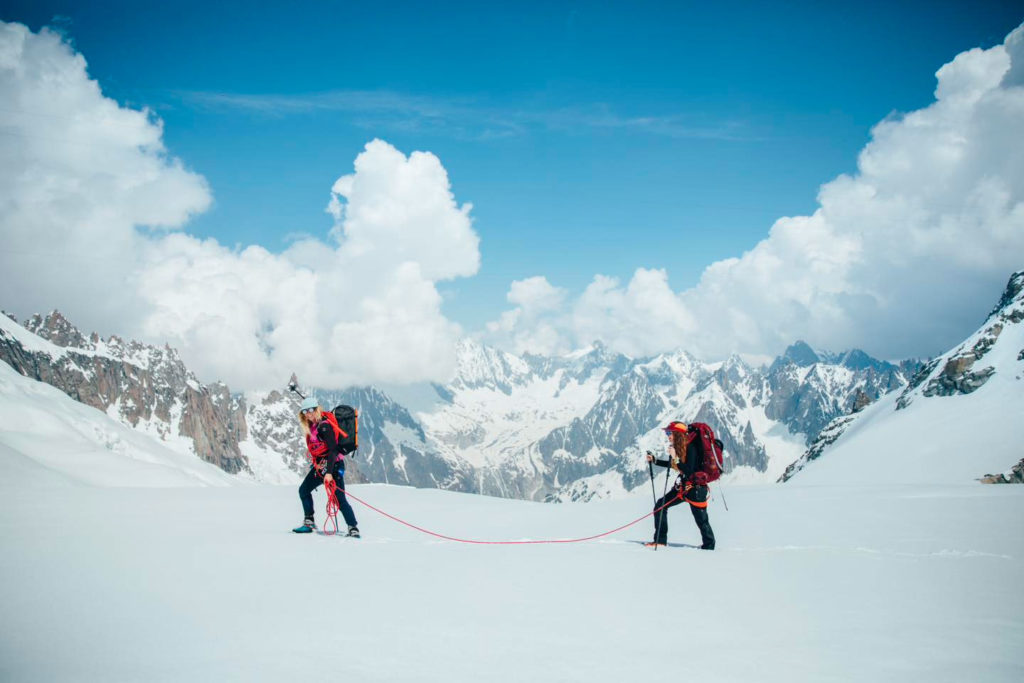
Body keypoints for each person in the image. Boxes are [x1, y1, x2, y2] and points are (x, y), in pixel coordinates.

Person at [292, 396, 360, 537]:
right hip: (321, 466)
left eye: (311, 410)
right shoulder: (313, 426)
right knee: (304, 490)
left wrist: (329, 473)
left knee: (339, 499)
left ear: (317, 409)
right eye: (305, 411)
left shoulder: (324, 426)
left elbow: (333, 450)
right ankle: (309, 521)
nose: (309, 414)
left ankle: (353, 527)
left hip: (332, 466)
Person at [645, 421, 715, 550]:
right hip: (684, 488)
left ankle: (709, 547)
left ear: (678, 434)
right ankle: (660, 540)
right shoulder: (682, 447)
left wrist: (675, 457)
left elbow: (689, 471)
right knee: (660, 506)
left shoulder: (692, 448)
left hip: (695, 489)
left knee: (701, 520)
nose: (668, 436)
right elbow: (676, 465)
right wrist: (655, 461)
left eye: (669, 433)